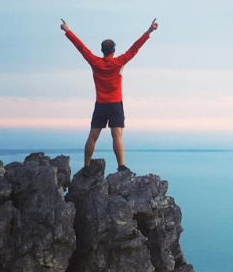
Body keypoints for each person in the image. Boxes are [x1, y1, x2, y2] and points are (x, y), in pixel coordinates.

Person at [60, 18, 159, 171]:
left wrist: (68, 30)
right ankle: (121, 166)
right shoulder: (119, 62)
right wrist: (149, 31)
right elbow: (135, 48)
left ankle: (86, 166)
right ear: (114, 50)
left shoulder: (95, 62)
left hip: (100, 104)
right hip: (115, 104)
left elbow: (81, 48)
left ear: (102, 51)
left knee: (93, 136)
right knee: (117, 135)